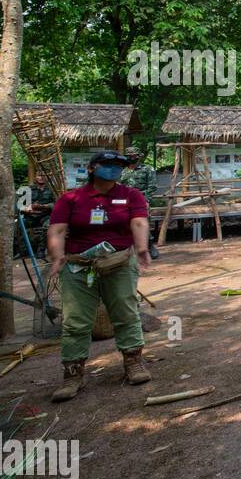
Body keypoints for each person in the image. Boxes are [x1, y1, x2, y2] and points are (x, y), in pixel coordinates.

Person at [46, 150, 152, 402]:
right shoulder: (71, 198)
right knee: (75, 320)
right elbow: (58, 228)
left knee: (126, 312)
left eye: (118, 165)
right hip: (78, 265)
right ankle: (73, 374)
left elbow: (138, 222)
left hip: (118, 262)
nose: (114, 169)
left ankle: (133, 363)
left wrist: (142, 248)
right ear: (92, 168)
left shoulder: (130, 195)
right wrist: (57, 255)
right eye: (107, 164)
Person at [120, 145, 160, 258]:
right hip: (125, 203)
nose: (132, 158)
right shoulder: (122, 171)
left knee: (144, 223)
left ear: (139, 157)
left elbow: (152, 187)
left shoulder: (147, 169)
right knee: (126, 225)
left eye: (134, 156)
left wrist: (145, 199)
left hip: (141, 202)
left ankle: (150, 246)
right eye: (129, 156)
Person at [22, 172, 57, 258]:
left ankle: (41, 250)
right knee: (18, 225)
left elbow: (57, 204)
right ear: (35, 177)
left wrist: (44, 206)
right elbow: (20, 206)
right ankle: (21, 250)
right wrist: (28, 210)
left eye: (43, 175)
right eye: (39, 175)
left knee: (48, 226)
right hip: (30, 216)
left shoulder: (52, 190)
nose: (41, 177)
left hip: (45, 216)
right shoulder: (28, 189)